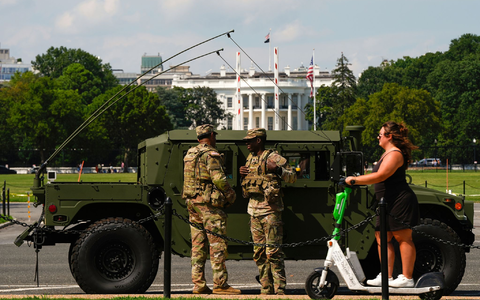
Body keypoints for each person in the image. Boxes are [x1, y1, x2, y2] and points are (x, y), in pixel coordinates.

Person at [345, 121, 419, 288]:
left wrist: (354, 180)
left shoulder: (394, 154)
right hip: (386, 202)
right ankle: (386, 276)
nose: (378, 138)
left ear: (389, 136)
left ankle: (407, 278)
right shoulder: (387, 153)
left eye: (380, 135)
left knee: (403, 237)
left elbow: (381, 176)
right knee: (382, 237)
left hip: (399, 201)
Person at [182, 124, 240, 295]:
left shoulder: (190, 154)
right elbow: (219, 179)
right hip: (209, 205)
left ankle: (198, 284)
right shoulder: (210, 154)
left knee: (198, 246)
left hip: (193, 204)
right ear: (212, 135)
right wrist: (231, 195)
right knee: (217, 245)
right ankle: (220, 284)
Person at [239, 128, 297, 295]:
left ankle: (279, 290)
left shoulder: (274, 158)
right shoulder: (250, 159)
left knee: (274, 253)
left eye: (250, 140)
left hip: (270, 212)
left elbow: (292, 177)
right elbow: (249, 183)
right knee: (259, 253)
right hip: (254, 212)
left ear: (259, 140)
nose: (247, 144)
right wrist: (242, 175)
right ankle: (266, 288)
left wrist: (277, 170)